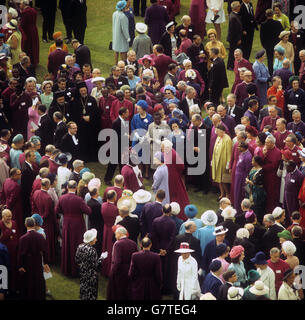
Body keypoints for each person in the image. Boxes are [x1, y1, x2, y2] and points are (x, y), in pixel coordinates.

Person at [55, 180, 91, 277]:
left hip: (67, 223)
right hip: (78, 225)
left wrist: (65, 214)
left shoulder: (62, 198)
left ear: (67, 187)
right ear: (75, 188)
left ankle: (67, 268)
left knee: (67, 244)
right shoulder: (79, 199)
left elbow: (57, 210)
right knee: (77, 245)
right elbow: (88, 211)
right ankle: (76, 269)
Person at [17, 217, 50, 300]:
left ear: (25, 225)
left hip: (27, 263)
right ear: (34, 224)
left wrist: (20, 265)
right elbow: (45, 251)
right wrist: (45, 263)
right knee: (38, 279)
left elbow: (21, 254)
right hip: (38, 261)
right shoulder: (40, 236)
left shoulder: (23, 238)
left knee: (29, 281)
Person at [75, 229, 108, 300]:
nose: (96, 240)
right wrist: (102, 257)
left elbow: (77, 260)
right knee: (91, 292)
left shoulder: (80, 246)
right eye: (95, 238)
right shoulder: (92, 250)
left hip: (82, 272)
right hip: (91, 275)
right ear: (91, 240)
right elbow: (96, 265)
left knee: (83, 289)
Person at [107, 226, 138, 300]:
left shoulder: (118, 244)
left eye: (116, 234)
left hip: (120, 271)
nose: (115, 236)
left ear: (120, 234)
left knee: (119, 292)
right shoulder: (133, 243)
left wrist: (112, 272)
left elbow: (117, 261)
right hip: (130, 269)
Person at [0, 209, 20, 294]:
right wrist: (8, 233)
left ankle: (14, 287)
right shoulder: (0, 224)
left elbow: (17, 235)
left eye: (10, 216)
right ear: (3, 216)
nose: (9, 218)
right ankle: (4, 289)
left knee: (14, 269)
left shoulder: (14, 223)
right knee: (5, 270)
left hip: (14, 252)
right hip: (4, 253)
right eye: (8, 216)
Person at [260, 9, 283, 74]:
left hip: (268, 45)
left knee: (270, 60)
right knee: (279, 58)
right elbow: (281, 33)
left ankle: (270, 73)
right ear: (273, 15)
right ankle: (279, 72)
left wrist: (264, 45)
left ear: (265, 15)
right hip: (277, 44)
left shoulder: (263, 24)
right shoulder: (277, 23)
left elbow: (262, 36)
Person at [101, 190, 118, 277]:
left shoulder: (103, 205)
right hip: (112, 229)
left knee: (105, 247)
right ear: (114, 198)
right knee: (111, 248)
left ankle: (104, 268)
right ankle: (109, 269)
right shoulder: (115, 209)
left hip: (105, 228)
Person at [212, 124, 232, 199]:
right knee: (219, 179)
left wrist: (228, 164)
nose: (216, 133)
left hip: (223, 162)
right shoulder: (218, 137)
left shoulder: (227, 139)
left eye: (217, 131)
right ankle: (222, 194)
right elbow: (215, 149)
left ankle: (227, 194)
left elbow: (229, 152)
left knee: (224, 179)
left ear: (222, 132)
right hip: (217, 161)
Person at [227, 1, 242, 70]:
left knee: (232, 51)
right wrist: (238, 39)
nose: (240, 7)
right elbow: (233, 30)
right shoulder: (233, 17)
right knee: (232, 52)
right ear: (235, 7)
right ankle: (230, 66)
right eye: (239, 6)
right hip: (233, 38)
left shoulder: (234, 15)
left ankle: (232, 65)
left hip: (233, 37)